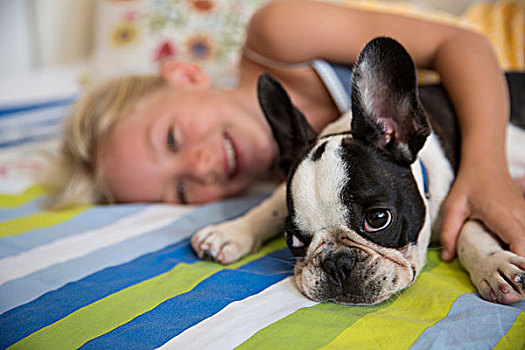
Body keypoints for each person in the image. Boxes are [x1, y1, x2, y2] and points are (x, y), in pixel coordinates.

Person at [44, 0, 525, 262]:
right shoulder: (286, 187)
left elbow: (460, 43)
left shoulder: (278, 35)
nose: (200, 165)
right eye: (182, 189)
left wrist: (487, 171)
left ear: (187, 75)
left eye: (172, 137)